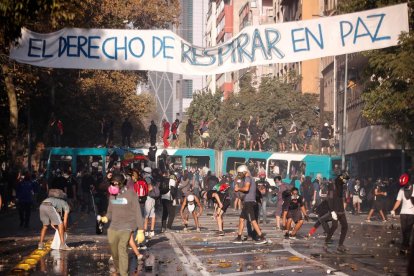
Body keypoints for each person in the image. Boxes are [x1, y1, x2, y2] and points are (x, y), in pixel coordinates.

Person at [101, 173, 144, 275]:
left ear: (122, 184)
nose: (113, 185)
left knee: (122, 248)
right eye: (112, 183)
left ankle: (124, 273)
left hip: (127, 226)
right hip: (113, 227)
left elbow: (138, 212)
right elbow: (110, 211)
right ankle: (119, 269)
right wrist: (106, 218)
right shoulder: (112, 195)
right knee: (114, 251)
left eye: (116, 183)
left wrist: (141, 229)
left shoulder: (131, 194)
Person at [233, 165, 267, 244]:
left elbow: (246, 188)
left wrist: (238, 189)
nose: (239, 174)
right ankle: (239, 237)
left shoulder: (248, 178)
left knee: (252, 220)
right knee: (241, 219)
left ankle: (262, 237)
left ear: (244, 172)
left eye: (240, 173)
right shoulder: (250, 178)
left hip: (249, 202)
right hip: (247, 202)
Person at [325, 172, 350, 252]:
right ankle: (326, 241)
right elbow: (329, 199)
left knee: (345, 226)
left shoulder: (341, 186)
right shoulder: (332, 186)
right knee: (334, 226)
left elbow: (342, 198)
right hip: (334, 210)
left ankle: (340, 245)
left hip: (341, 210)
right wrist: (332, 211)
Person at [390, 172, 414, 255]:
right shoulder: (401, 190)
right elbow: (398, 201)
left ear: (408, 181)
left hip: (412, 213)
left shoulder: (413, 188)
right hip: (403, 213)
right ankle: (405, 244)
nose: (405, 185)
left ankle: (405, 245)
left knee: (408, 229)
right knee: (404, 230)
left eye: (406, 184)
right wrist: (393, 209)